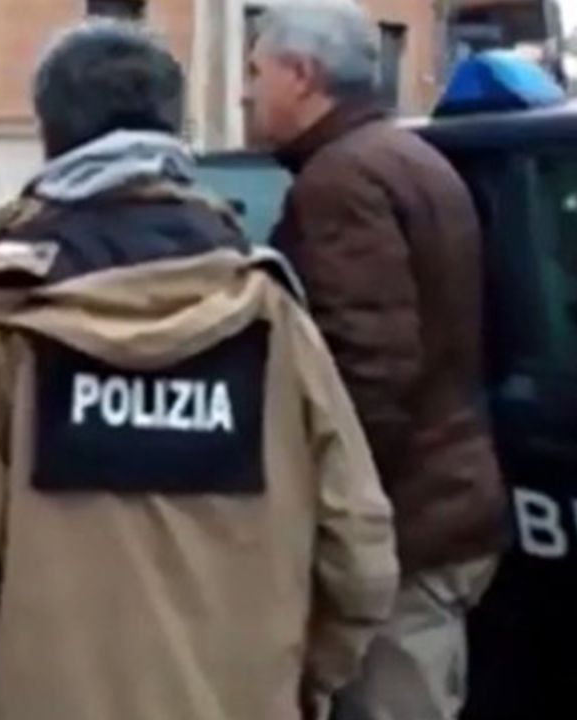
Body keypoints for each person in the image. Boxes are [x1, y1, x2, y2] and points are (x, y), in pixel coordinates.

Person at [0, 19, 399, 720]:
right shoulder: (271, 320)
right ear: (176, 127)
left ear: (50, 133)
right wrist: (291, 684)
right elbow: (361, 555)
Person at [245, 2, 509, 718]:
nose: (246, 91)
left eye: (255, 70)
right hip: (444, 499)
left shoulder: (341, 182)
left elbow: (367, 371)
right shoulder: (409, 158)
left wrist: (330, 514)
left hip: (405, 525)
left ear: (301, 75)